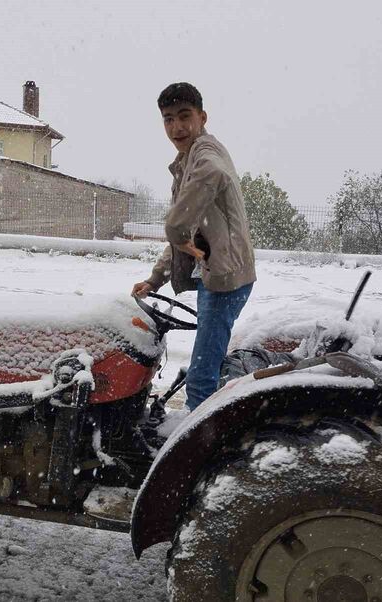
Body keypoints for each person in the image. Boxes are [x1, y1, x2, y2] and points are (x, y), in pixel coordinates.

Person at [132, 82, 256, 411]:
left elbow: (181, 225)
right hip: (213, 276)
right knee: (206, 366)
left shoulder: (205, 153)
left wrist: (175, 226)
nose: (177, 127)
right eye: (168, 119)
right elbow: (184, 242)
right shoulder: (186, 161)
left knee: (202, 375)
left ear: (202, 117)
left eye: (185, 116)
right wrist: (155, 279)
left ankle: (197, 446)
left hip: (225, 282)